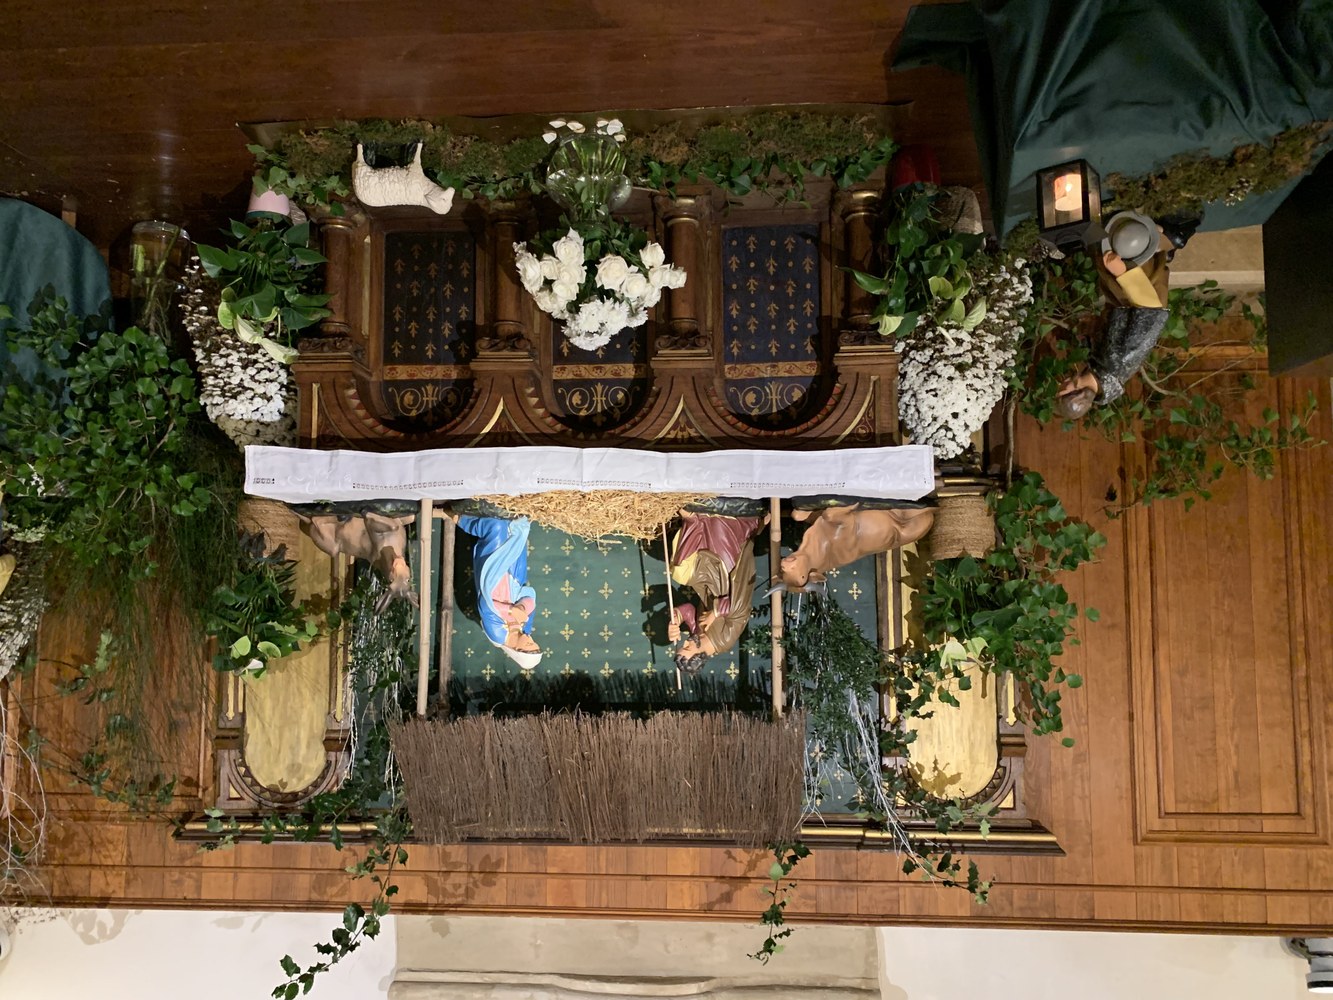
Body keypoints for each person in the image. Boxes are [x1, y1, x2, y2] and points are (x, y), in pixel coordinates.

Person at [1055, 211, 1173, 419]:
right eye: (1064, 389)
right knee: (1123, 241)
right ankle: (1157, 230)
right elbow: (1151, 314)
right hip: (1138, 294)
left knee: (1101, 246)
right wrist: (1123, 273)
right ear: (1077, 392)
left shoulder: (1099, 367)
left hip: (1119, 298)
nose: (1062, 382)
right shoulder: (1117, 364)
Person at [665, 508, 765, 675]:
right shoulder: (724, 641)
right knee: (718, 531)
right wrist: (716, 612)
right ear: (699, 655)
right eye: (687, 648)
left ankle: (692, 523)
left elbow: (689, 610)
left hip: (707, 578)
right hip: (727, 575)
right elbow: (740, 610)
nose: (686, 642)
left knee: (680, 572)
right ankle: (713, 521)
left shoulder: (698, 635)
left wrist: (676, 619)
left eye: (683, 646)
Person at [455, 513, 542, 670]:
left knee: (496, 527)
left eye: (530, 647)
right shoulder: (526, 628)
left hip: (494, 577)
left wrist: (511, 610)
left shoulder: (497, 635)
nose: (532, 641)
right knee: (517, 530)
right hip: (514, 576)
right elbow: (531, 599)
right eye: (536, 645)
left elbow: (485, 606)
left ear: (518, 650)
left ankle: (457, 517)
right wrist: (522, 607)